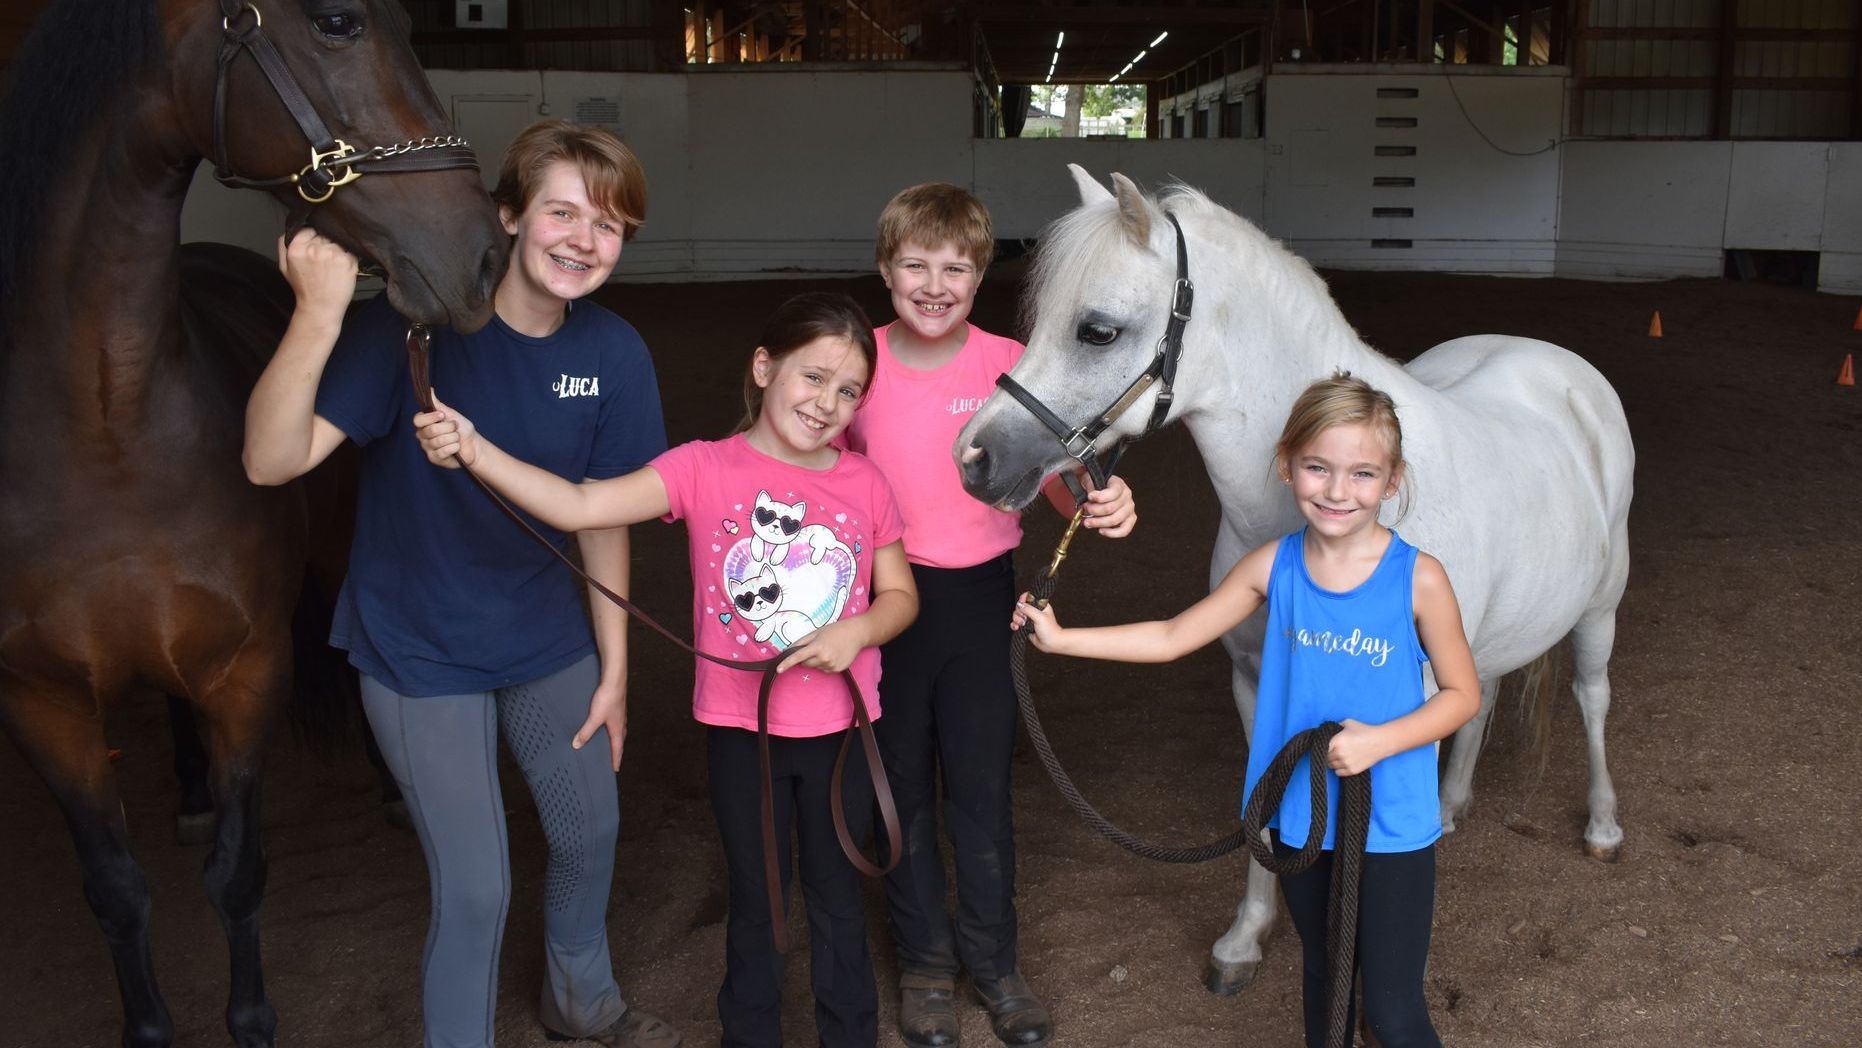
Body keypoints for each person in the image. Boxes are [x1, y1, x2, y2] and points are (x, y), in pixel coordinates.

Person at [243, 120, 680, 1048]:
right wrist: (318, 315)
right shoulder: (408, 335)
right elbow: (269, 463)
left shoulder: (613, 353)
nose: (583, 240)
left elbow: (600, 516)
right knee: (478, 885)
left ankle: (582, 1000)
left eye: (608, 226)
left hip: (543, 634)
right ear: (509, 215)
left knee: (589, 831)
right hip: (419, 646)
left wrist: (615, 671)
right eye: (561, 211)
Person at [413, 291, 920, 1048]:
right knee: (758, 898)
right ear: (763, 366)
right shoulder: (700, 468)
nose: (827, 403)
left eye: (848, 391)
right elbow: (582, 506)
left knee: (839, 896)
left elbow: (902, 596)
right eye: (813, 377)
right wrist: (477, 449)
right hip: (740, 732)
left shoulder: (863, 483)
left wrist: (860, 630)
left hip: (843, 733)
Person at [1013, 374, 1479, 1048]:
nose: (1337, 490)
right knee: (1323, 980)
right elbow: (1176, 636)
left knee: (1393, 1006)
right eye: (1318, 468)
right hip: (1299, 812)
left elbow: (1464, 694)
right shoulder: (1273, 567)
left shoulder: (1420, 578)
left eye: (1362, 473)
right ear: (1287, 465)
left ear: (1392, 480)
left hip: (1392, 822)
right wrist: (1062, 640)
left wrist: (1381, 742)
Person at [843, 182, 1137, 1048]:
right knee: (899, 790)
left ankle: (995, 962)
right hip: (885, 606)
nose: (935, 285)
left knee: (979, 789)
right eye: (915, 266)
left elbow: (1061, 478)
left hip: (980, 604)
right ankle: (927, 966)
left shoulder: (1013, 361)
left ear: (980, 278)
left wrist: (1101, 501)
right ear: (885, 269)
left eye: (957, 269)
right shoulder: (856, 361)